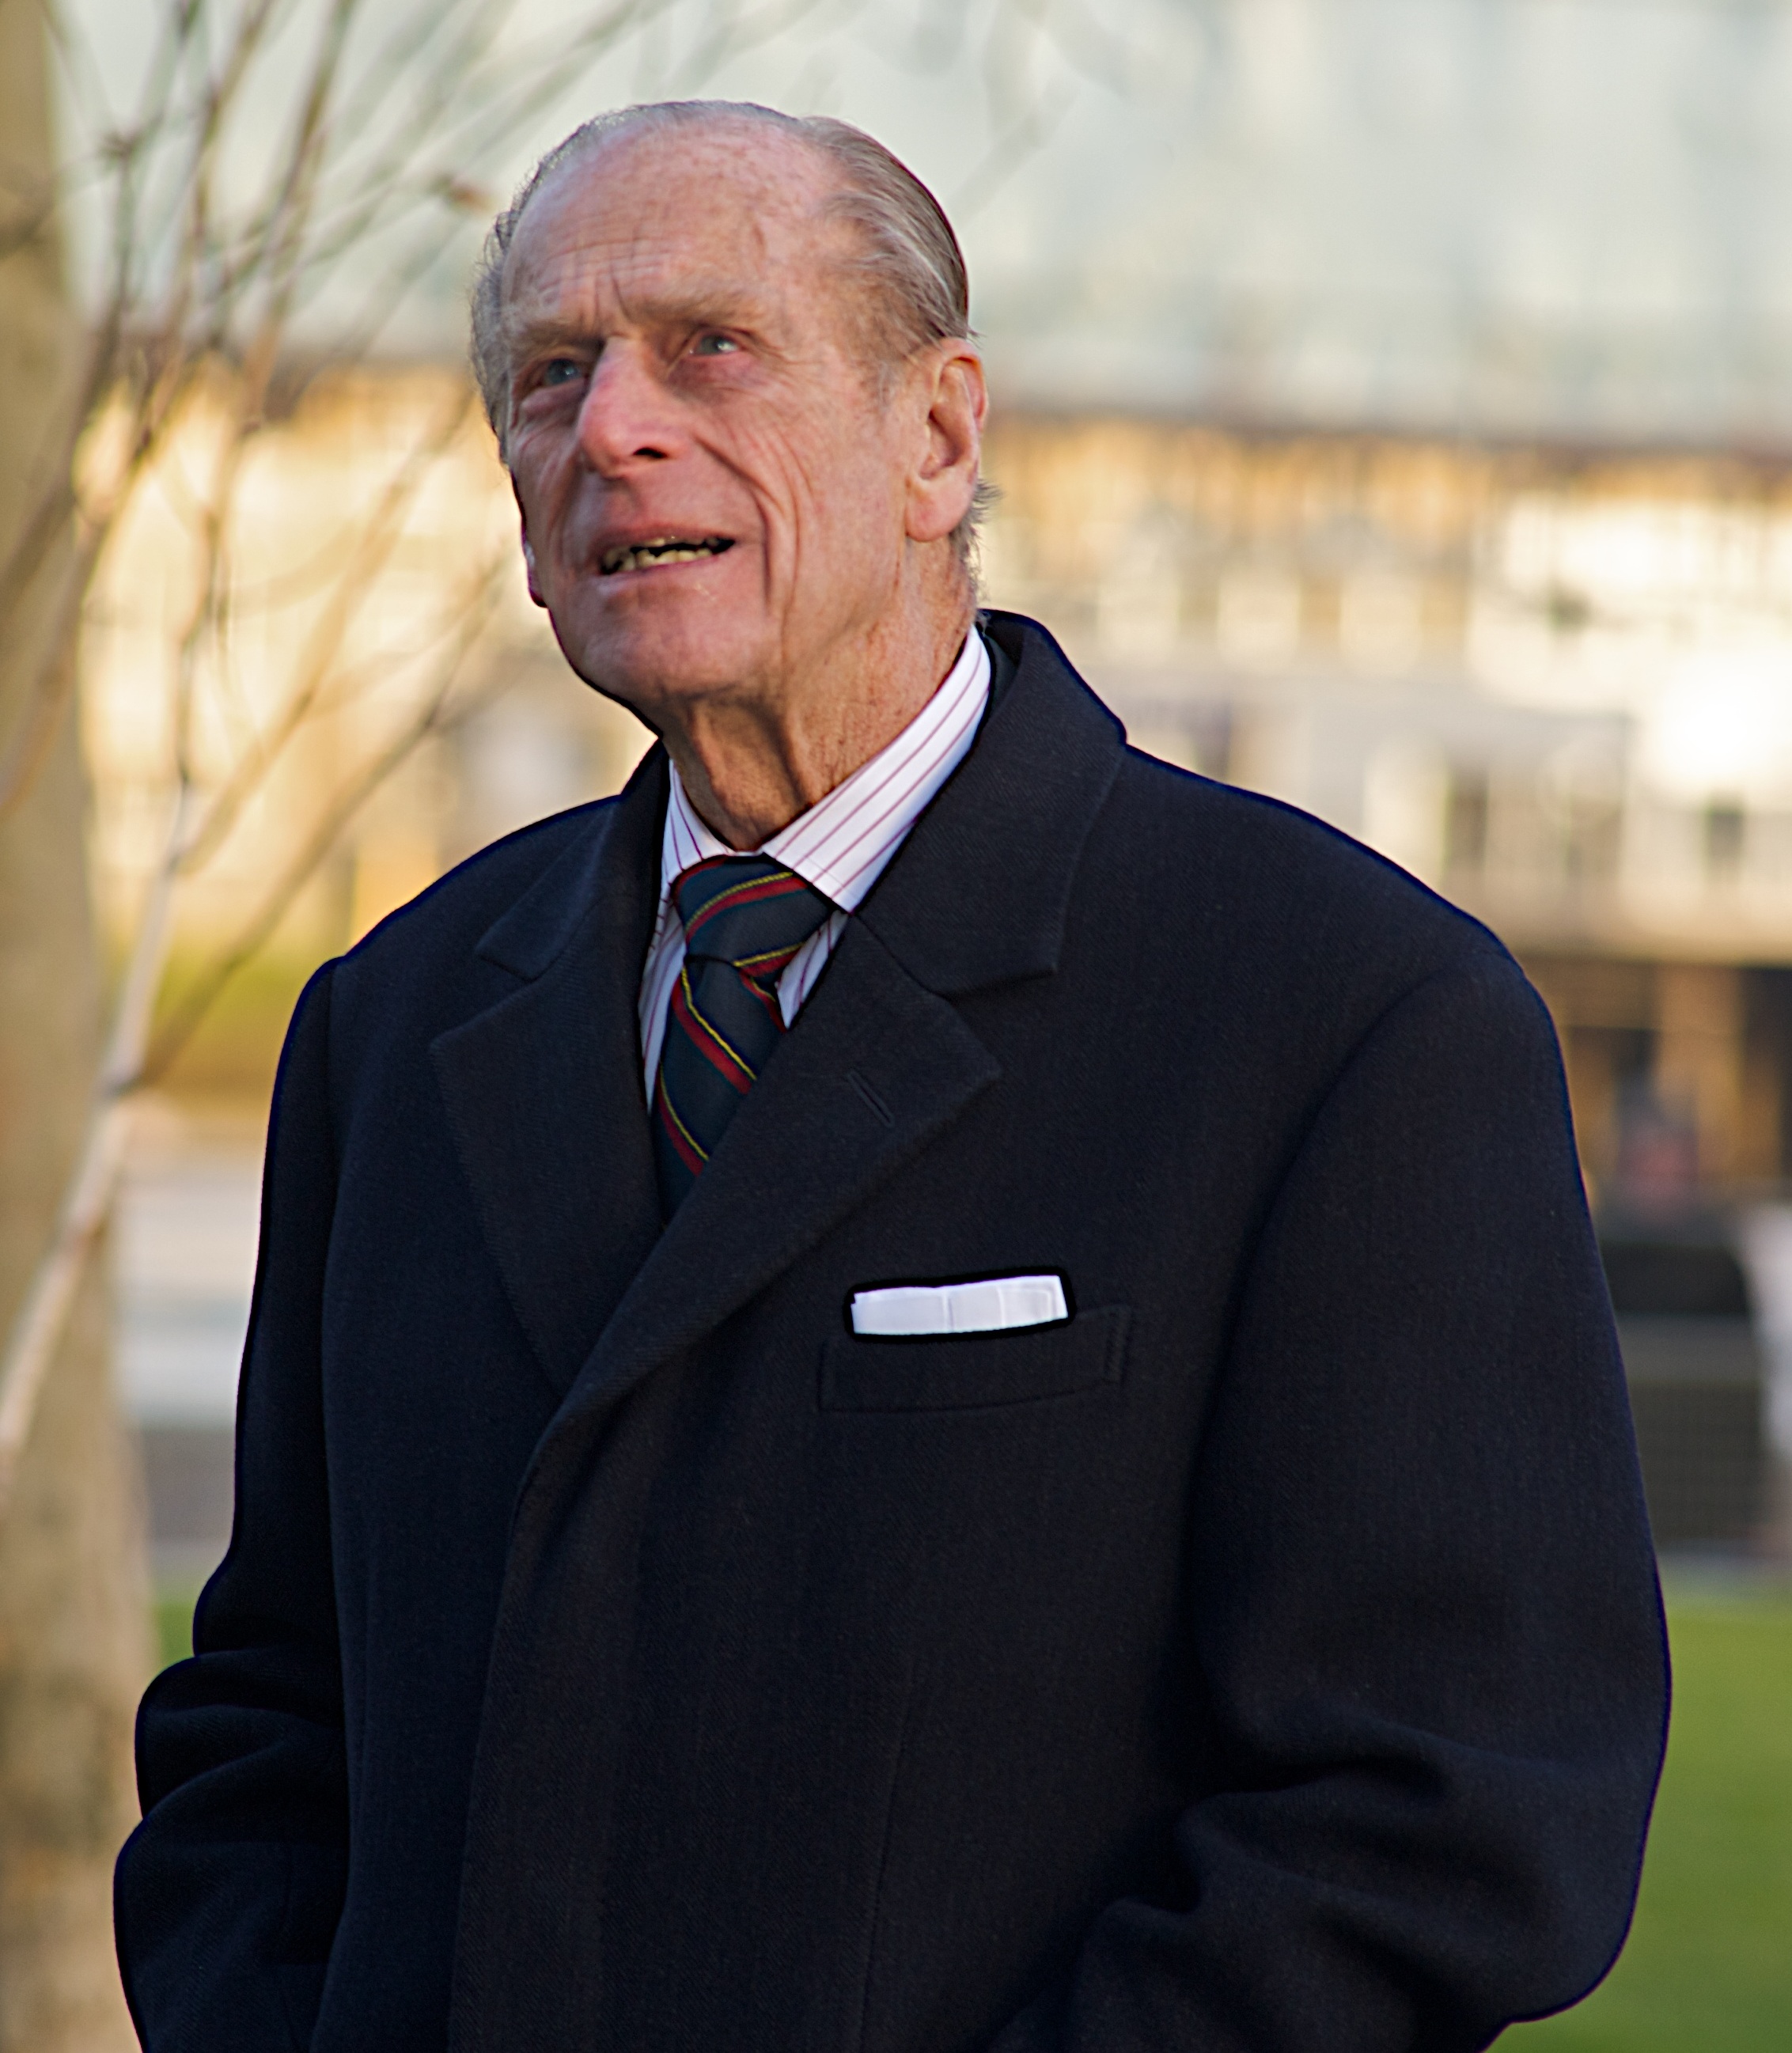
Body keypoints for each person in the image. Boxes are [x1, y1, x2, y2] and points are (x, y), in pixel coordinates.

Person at [116, 101, 1668, 2053]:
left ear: (938, 436)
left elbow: (1451, 1813)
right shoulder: (391, 1024)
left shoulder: (1342, 1016)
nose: (608, 428)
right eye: (549, 374)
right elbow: (267, 1720)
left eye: (708, 346)